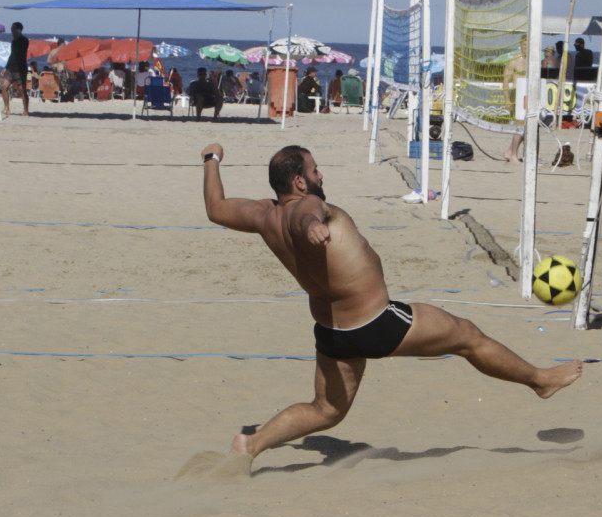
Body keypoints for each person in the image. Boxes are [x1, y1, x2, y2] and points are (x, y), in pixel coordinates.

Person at [200, 143, 582, 462]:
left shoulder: (263, 214)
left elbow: (216, 209)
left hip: (333, 332)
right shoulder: (307, 208)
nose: (321, 176)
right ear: (299, 181)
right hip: (376, 323)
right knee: (467, 336)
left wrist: (212, 159)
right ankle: (540, 381)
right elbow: (306, 215)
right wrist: (312, 227)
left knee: (327, 410)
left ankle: (251, 445)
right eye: (316, 171)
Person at [500, 37, 528, 162]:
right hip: (517, 93)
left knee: (527, 126)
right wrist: (507, 99)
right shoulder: (514, 61)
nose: (526, 47)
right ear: (520, 45)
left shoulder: (533, 60)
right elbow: (506, 81)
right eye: (524, 45)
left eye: (528, 45)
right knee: (520, 125)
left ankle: (510, 151)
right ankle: (513, 154)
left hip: (527, 94)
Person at [0, 22, 30, 117]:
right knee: (4, 87)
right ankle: (7, 108)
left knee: (22, 90)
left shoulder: (24, 40)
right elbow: (12, 55)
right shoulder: (13, 41)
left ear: (19, 30)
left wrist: (18, 37)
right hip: (11, 68)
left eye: (14, 29)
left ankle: (26, 110)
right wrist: (6, 66)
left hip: (20, 69)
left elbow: (19, 54)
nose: (12, 31)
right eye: (12, 29)